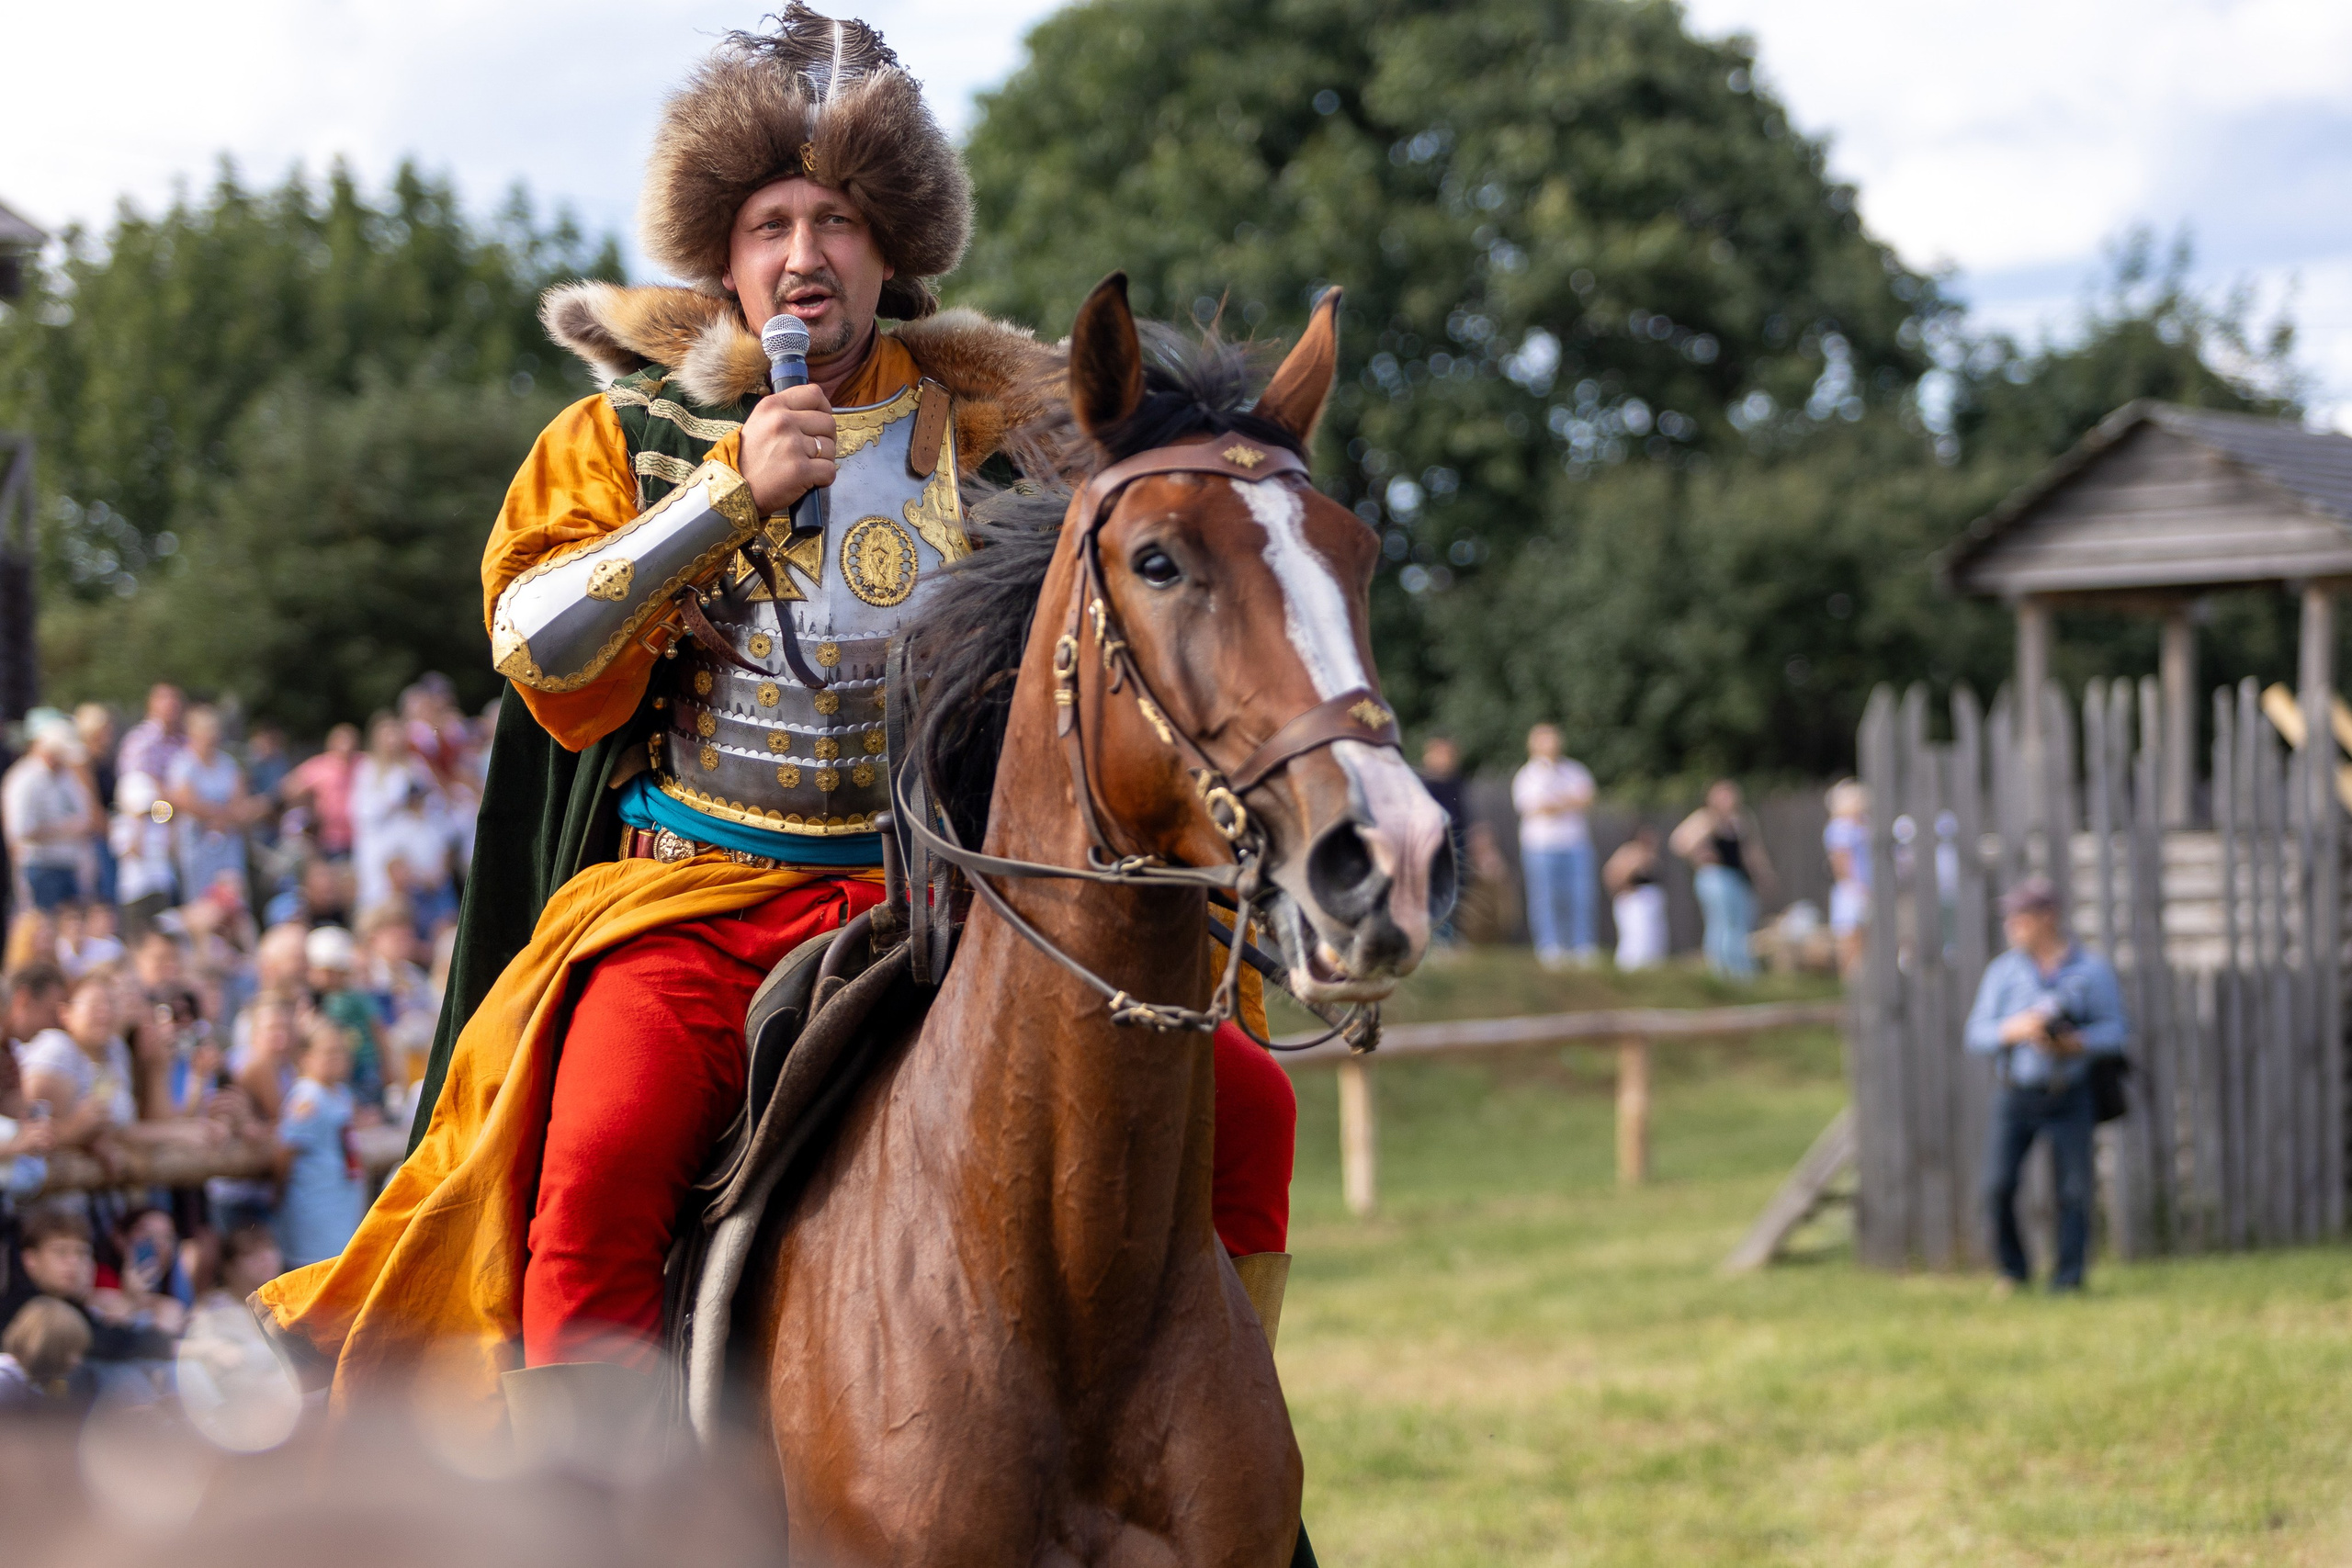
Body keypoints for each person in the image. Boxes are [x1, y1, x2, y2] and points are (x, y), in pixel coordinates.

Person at [257, 11, 1308, 1469]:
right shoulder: (621, 438)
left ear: (893, 253)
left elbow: (1166, 551)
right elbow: (529, 648)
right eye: (770, 223)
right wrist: (724, 496)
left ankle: (1205, 1450)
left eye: (838, 220)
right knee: (599, 1159)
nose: (804, 251)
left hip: (943, 899)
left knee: (1247, 1102)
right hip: (693, 901)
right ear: (725, 254)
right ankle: (608, 1519)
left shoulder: (1002, 439)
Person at [1964, 877, 2128, 1293]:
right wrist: (2014, 1029)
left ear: (2048, 917)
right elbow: (1976, 1034)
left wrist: (2077, 1044)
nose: (2012, 925)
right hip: (2016, 1093)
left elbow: (2118, 1033)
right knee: (1996, 1186)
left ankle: (2068, 1279)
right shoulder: (2003, 972)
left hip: (2070, 1093)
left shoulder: (2092, 971)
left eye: (2021, 916)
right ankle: (2013, 1271)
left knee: (2075, 1191)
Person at [277, 1017, 367, 1271]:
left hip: (339, 1209)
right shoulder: (308, 1099)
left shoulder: (339, 1093)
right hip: (316, 1211)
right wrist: (279, 1194)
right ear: (305, 1057)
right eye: (329, 1052)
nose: (338, 1058)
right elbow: (286, 1151)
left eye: (341, 1051)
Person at [1511, 723, 1597, 968]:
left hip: (1575, 843)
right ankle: (1550, 947)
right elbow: (1537, 807)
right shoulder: (1527, 776)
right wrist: (1568, 801)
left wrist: (1555, 803)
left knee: (1580, 897)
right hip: (1540, 846)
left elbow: (1587, 799)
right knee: (1544, 898)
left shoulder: (1575, 770)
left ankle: (1581, 947)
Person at [1671, 779, 1775, 979]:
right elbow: (1679, 842)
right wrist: (1700, 854)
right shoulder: (1706, 819)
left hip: (1738, 877)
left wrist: (1763, 874)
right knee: (1722, 923)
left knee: (1742, 924)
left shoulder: (1742, 819)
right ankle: (1720, 970)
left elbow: (1751, 851)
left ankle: (1742, 971)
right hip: (1715, 876)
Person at [3, 710, 101, 912]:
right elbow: (21, 831)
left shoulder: (66, 778)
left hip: (69, 864)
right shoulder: (24, 780)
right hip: (40, 867)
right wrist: (65, 829)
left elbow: (86, 814)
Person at [166, 705, 262, 907]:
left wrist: (217, 815)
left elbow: (240, 802)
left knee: (234, 900)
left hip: (228, 843)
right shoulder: (183, 763)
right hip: (196, 844)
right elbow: (184, 801)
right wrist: (223, 814)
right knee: (201, 902)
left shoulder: (227, 764)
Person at [1416, 736, 1467, 946]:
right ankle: (1434, 939)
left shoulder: (1457, 783)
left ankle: (1448, 937)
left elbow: (1464, 815)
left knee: (1455, 890)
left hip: (1456, 842)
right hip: (1430, 843)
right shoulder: (1422, 784)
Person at [283, 722, 362, 860]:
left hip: (360, 837)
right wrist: (308, 803)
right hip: (329, 837)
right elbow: (289, 787)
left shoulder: (363, 763)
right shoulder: (319, 766)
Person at [1602, 826, 1668, 970]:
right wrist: (1623, 887)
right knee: (1637, 938)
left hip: (1651, 905)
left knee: (1654, 940)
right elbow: (1612, 874)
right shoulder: (1630, 853)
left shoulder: (1652, 856)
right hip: (1635, 904)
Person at [1823, 779, 1871, 979]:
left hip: (1865, 886)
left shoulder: (1862, 824)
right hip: (1853, 888)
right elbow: (1841, 859)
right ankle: (1851, 981)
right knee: (1851, 936)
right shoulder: (1840, 827)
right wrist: (1853, 884)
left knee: (1866, 936)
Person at [116, 682, 187, 786]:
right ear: (150, 703)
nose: (171, 703)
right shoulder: (139, 739)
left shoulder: (185, 741)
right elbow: (138, 779)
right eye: (163, 698)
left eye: (175, 698)